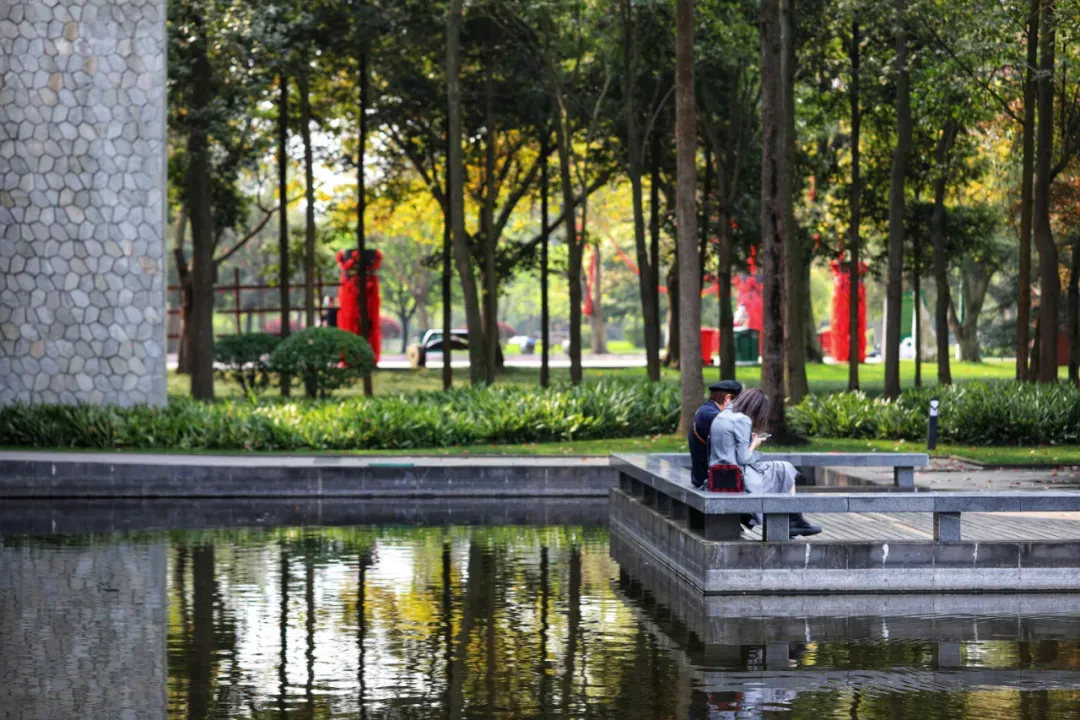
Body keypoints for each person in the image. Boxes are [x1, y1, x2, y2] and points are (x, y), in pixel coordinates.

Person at [709, 388, 822, 537]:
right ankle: (793, 519)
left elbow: (728, 449)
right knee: (786, 468)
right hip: (737, 476)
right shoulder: (743, 419)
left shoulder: (722, 416)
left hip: (718, 474)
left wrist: (749, 441)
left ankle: (792, 519)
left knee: (780, 470)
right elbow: (744, 458)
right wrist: (755, 444)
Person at [688, 380, 743, 488]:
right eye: (739, 402)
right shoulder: (711, 415)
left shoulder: (706, 411)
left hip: (709, 476)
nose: (739, 407)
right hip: (710, 479)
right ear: (727, 399)